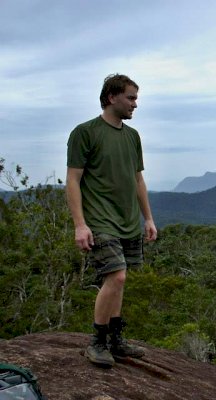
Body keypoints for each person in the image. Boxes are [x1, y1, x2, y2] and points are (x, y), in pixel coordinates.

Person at [66, 73, 157, 368]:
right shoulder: (85, 132)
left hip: (129, 220)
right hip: (100, 220)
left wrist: (149, 219)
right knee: (116, 275)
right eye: (131, 98)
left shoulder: (132, 136)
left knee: (120, 280)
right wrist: (80, 224)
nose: (135, 104)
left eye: (136, 98)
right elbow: (73, 179)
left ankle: (116, 341)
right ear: (111, 97)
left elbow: (138, 179)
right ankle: (97, 342)